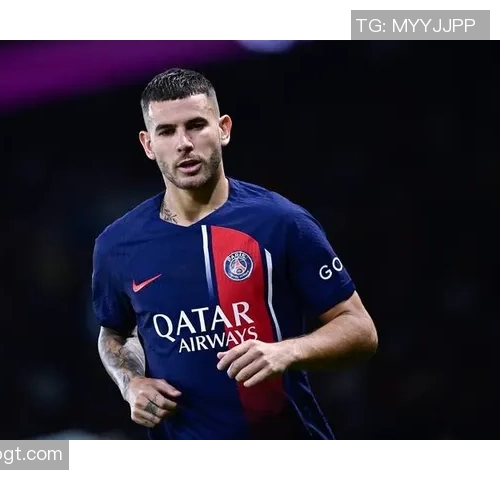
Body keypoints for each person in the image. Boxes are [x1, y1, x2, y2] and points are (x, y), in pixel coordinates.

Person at [92, 67, 378, 440]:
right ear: (148, 144)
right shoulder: (116, 245)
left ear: (223, 129)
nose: (184, 143)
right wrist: (130, 383)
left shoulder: (281, 222)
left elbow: (360, 330)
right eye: (166, 131)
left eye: (196, 125)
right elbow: (114, 331)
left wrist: (286, 352)